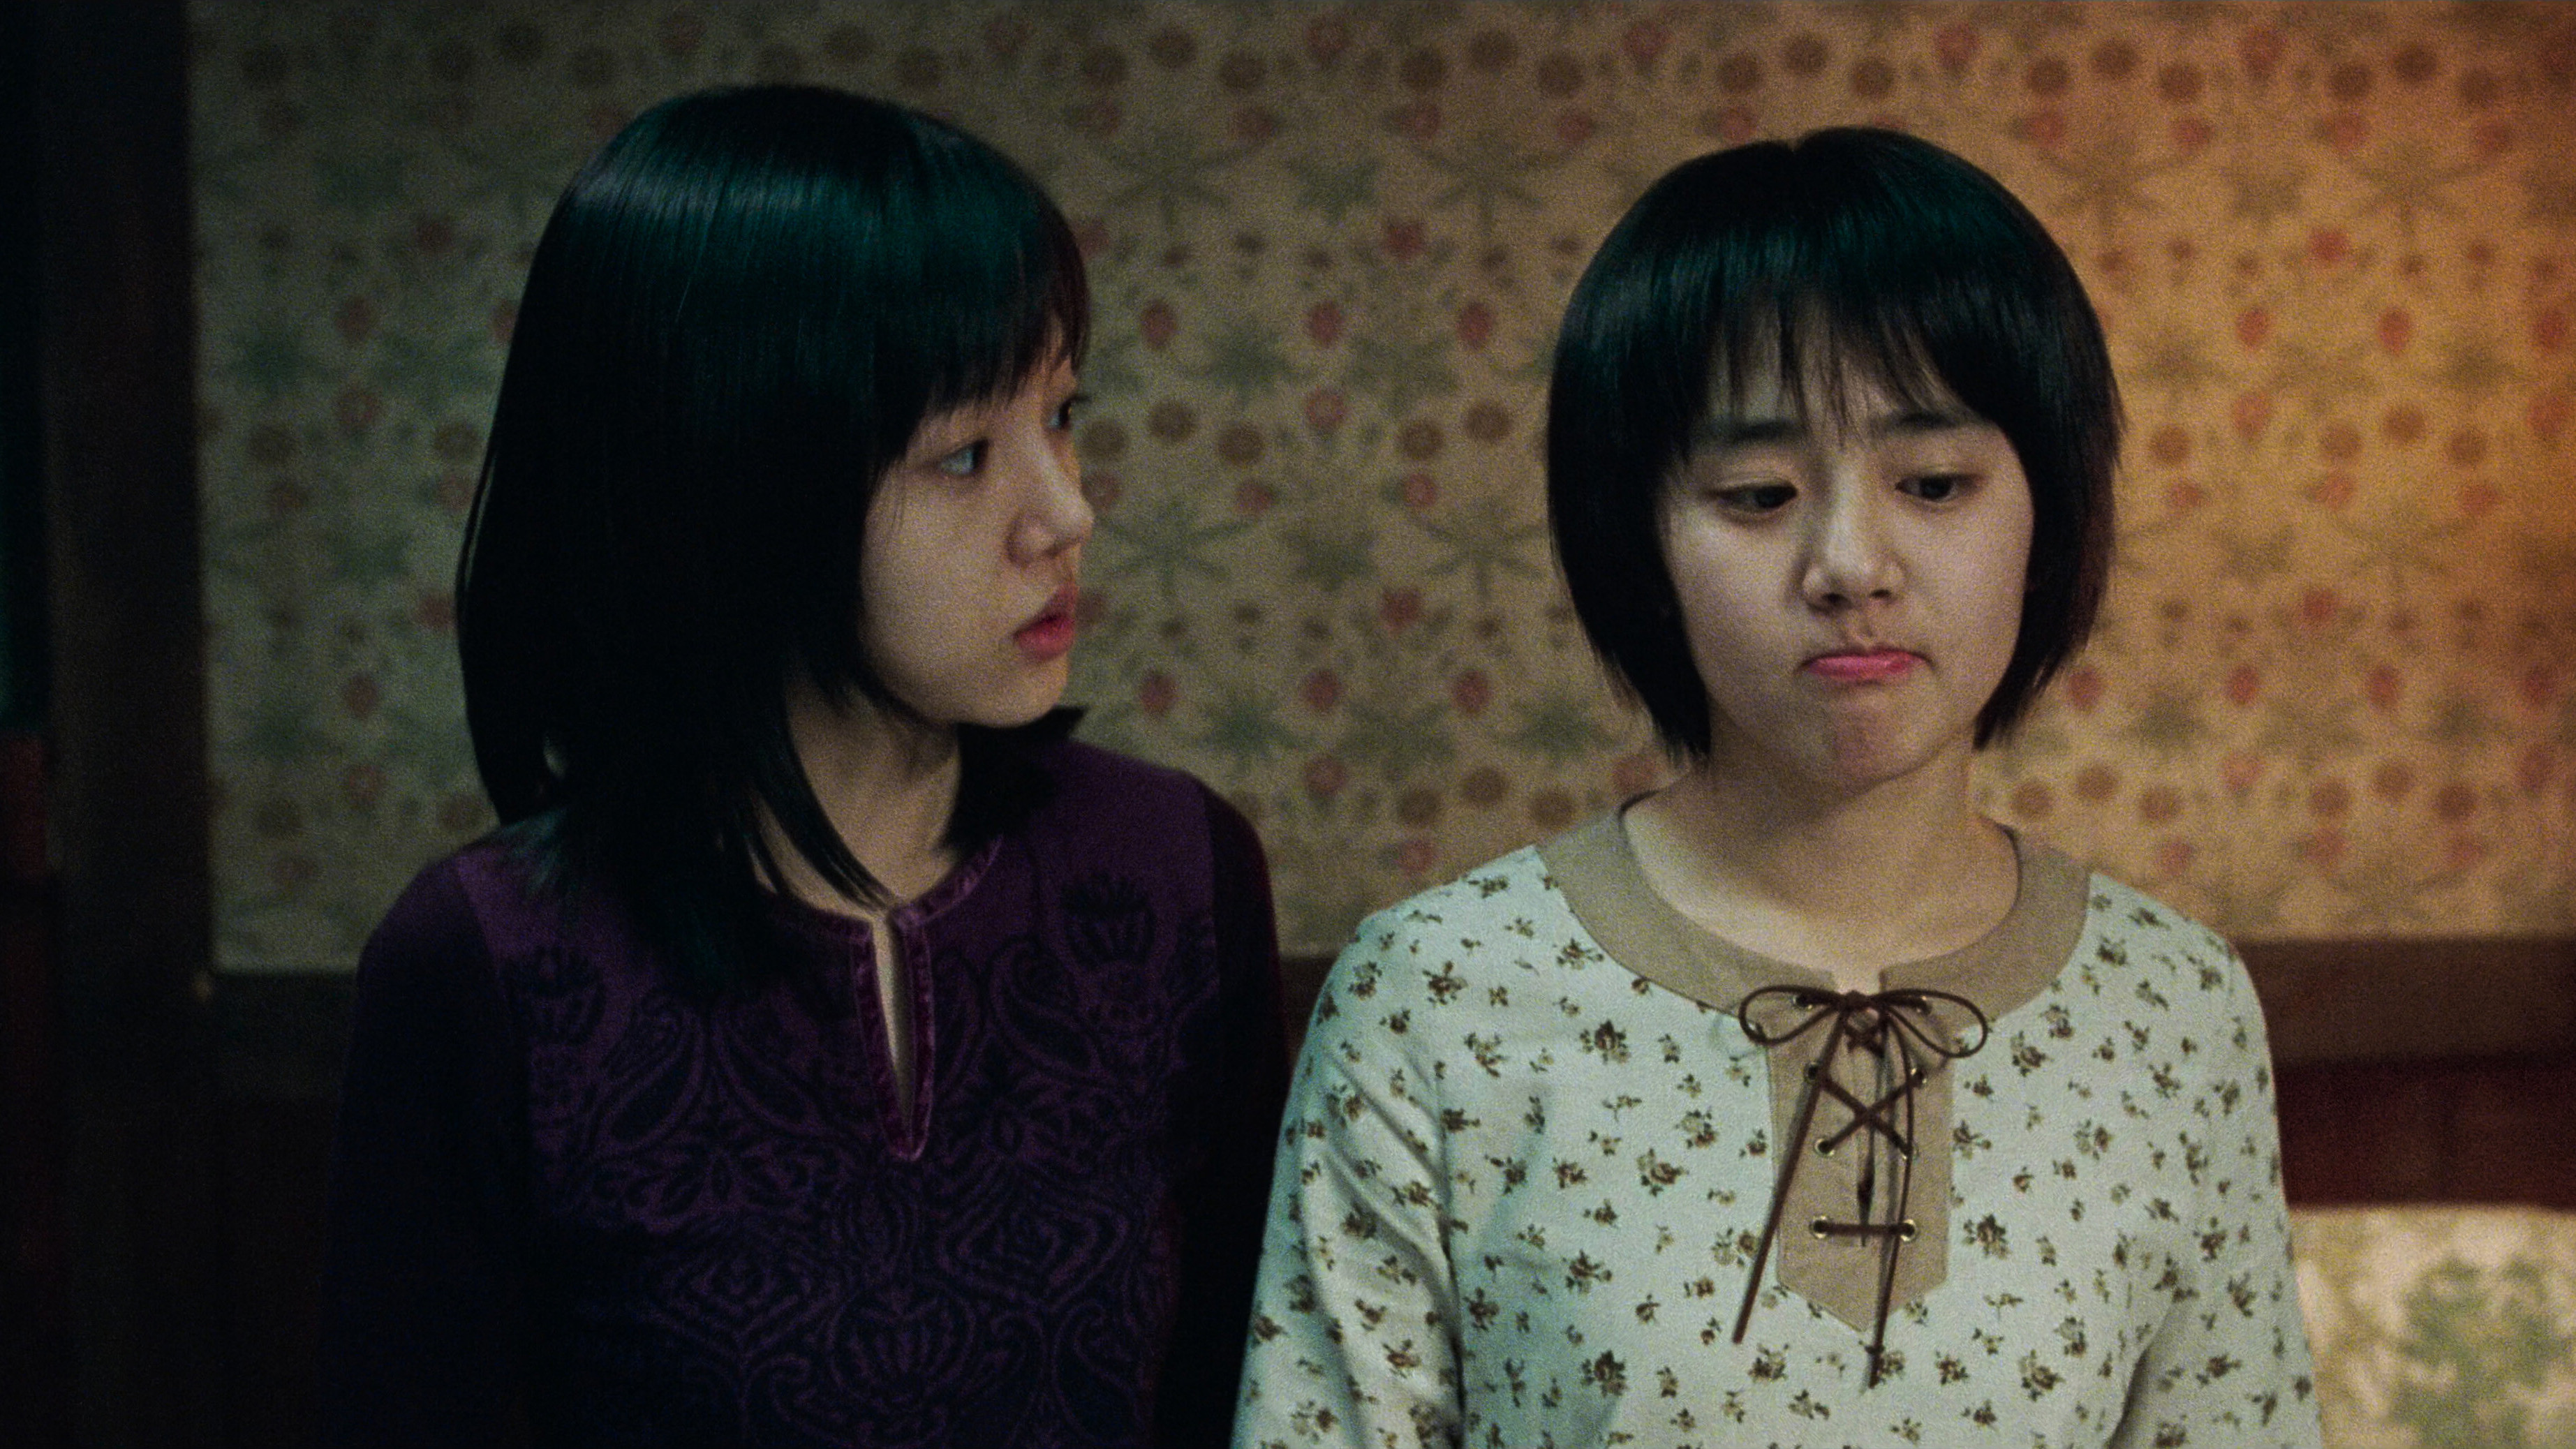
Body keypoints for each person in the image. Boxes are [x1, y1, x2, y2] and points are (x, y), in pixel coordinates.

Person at [1232, 128, 2321, 1448]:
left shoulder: (2173, 1009)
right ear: (1637, 537)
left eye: (1934, 483)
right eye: (1755, 494)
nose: (1850, 564)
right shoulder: (1436, 996)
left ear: (2047, 511)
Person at [317, 86, 1286, 1448]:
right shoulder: (486, 960)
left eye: (1063, 415)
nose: (1067, 511)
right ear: (734, 485)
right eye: (965, 453)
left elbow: (1250, 1397)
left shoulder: (1172, 868)